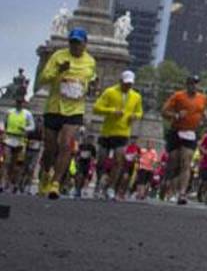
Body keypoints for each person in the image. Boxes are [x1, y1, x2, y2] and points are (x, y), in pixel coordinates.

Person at [37, 27, 97, 198]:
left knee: (65, 145)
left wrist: (90, 86)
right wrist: (59, 71)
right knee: (50, 147)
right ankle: (46, 173)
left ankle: (56, 182)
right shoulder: (58, 56)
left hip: (74, 110)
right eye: (72, 42)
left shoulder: (90, 61)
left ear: (85, 44)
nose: (75, 46)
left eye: (78, 43)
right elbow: (42, 78)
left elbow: (91, 79)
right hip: (54, 107)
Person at [93, 69, 144, 199]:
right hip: (107, 131)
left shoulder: (136, 96)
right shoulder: (110, 92)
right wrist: (111, 111)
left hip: (123, 132)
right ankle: (99, 183)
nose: (128, 86)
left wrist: (134, 116)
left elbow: (139, 112)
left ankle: (111, 187)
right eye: (126, 83)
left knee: (119, 160)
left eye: (130, 84)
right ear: (120, 81)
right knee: (101, 160)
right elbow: (96, 108)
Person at [161, 74, 207, 204]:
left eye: (196, 83)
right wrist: (176, 115)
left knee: (186, 162)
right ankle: (169, 189)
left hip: (190, 133)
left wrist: (204, 118)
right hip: (176, 131)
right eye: (191, 83)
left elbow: (203, 112)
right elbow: (164, 112)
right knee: (174, 161)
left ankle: (182, 193)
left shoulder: (203, 98)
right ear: (187, 85)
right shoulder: (178, 96)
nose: (194, 86)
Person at [2, 95, 36, 194]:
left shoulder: (27, 114)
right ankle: (3, 182)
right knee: (7, 161)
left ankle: (12, 182)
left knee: (16, 164)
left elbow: (32, 126)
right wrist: (4, 132)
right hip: (9, 139)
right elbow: (4, 123)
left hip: (20, 140)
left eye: (21, 102)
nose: (19, 104)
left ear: (24, 103)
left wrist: (25, 129)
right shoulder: (9, 112)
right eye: (18, 102)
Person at [73, 129, 96, 198]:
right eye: (88, 139)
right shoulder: (81, 146)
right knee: (79, 175)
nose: (89, 141)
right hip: (81, 163)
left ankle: (81, 189)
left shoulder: (92, 148)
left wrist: (92, 165)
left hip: (88, 164)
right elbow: (77, 154)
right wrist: (76, 161)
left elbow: (93, 157)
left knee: (86, 177)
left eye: (91, 140)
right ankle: (77, 189)